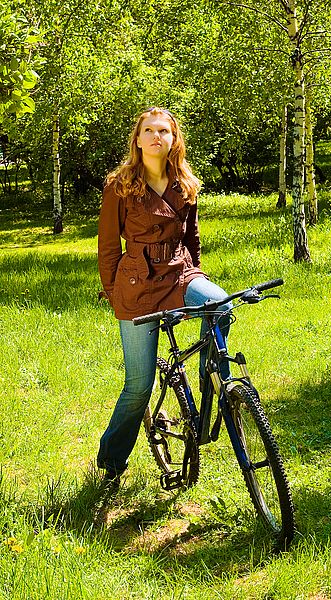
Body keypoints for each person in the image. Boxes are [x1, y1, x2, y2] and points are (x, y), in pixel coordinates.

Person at [97, 106, 231, 484]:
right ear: (138, 140)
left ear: (174, 140)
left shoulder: (185, 183)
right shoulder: (119, 185)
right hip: (136, 285)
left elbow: (193, 239)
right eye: (149, 130)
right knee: (139, 386)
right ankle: (110, 460)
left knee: (222, 308)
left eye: (164, 131)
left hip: (179, 273)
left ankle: (212, 394)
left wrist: (196, 276)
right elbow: (108, 247)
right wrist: (114, 294)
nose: (157, 136)